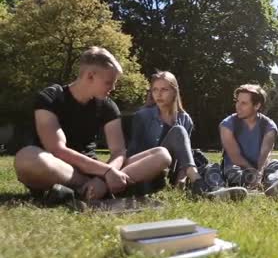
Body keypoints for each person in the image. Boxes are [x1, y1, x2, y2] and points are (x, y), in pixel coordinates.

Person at [14, 47, 171, 202]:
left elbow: (118, 151)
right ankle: (93, 188)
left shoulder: (107, 106)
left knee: (161, 154)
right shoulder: (51, 97)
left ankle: (84, 191)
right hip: (56, 169)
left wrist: (103, 176)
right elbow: (57, 149)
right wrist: (107, 172)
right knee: (26, 157)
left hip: (96, 172)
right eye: (109, 82)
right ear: (90, 76)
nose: (113, 88)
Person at [128, 71, 247, 200]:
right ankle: (198, 183)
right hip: (148, 172)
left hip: (171, 174)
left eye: (164, 89)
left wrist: (181, 179)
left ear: (174, 92)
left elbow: (184, 155)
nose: (159, 94)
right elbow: (133, 152)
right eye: (155, 90)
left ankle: (216, 192)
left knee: (210, 167)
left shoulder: (185, 119)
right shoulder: (143, 116)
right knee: (178, 131)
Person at [220, 84, 278, 197]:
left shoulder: (268, 126)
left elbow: (265, 153)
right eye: (237, 102)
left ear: (257, 105)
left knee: (275, 164)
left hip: (260, 167)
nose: (238, 106)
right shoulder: (227, 124)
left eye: (244, 103)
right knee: (234, 170)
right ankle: (244, 188)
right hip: (237, 166)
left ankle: (276, 185)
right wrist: (252, 172)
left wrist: (259, 172)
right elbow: (235, 156)